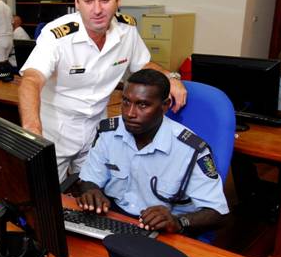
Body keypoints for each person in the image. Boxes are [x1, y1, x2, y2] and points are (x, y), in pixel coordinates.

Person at [19, 0, 187, 182]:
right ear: (77, 0)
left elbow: (143, 64)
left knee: (93, 194)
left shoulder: (127, 30)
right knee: (45, 197)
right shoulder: (57, 35)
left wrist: (170, 77)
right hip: (53, 133)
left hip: (97, 133)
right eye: (88, 0)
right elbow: (31, 79)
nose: (97, 10)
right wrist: (32, 131)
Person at [76, 69, 228, 235]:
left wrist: (179, 222)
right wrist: (91, 191)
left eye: (143, 105)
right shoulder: (108, 132)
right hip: (114, 220)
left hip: (163, 231)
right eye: (126, 102)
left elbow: (218, 213)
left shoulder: (191, 150)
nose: (130, 113)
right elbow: (89, 179)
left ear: (165, 106)